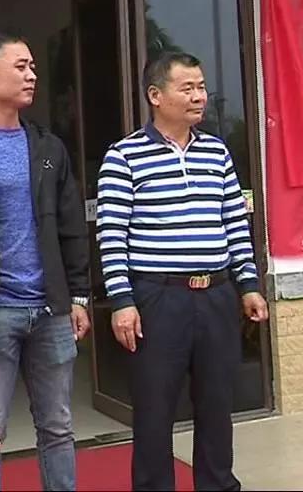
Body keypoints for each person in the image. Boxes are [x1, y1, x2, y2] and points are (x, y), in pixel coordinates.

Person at [96, 51, 269, 491]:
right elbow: (111, 235)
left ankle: (218, 484)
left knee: (217, 405)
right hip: (158, 298)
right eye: (187, 88)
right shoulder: (124, 156)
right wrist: (122, 302)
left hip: (216, 295)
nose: (199, 97)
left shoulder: (216, 152)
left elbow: (235, 224)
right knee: (154, 410)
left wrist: (248, 284)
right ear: (156, 95)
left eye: (202, 87)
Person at [0, 28, 91, 490]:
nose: (32, 75)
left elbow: (71, 226)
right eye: (20, 66)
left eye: (33, 66)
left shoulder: (48, 147)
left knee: (58, 428)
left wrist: (78, 295)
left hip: (51, 311)